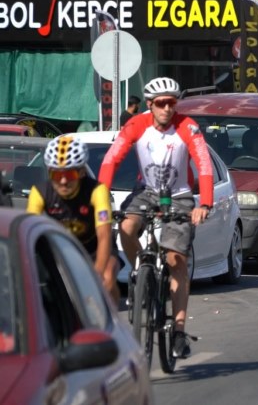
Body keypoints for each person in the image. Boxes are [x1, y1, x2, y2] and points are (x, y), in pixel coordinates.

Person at [99, 77, 213, 359]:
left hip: (180, 194)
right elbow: (111, 160)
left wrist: (205, 203)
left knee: (176, 260)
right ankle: (141, 269)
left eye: (172, 103)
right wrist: (101, 199)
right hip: (146, 191)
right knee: (125, 226)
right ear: (150, 105)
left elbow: (204, 163)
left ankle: (178, 329)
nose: (167, 108)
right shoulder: (136, 124)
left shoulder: (188, 126)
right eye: (161, 104)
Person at [27, 135, 120, 303]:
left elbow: (104, 235)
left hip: (94, 248)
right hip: (60, 250)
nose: (63, 181)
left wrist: (96, 274)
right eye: (56, 174)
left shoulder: (97, 191)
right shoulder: (39, 192)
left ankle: (111, 322)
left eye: (70, 174)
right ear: (49, 172)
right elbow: (28, 233)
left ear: (81, 172)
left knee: (106, 277)